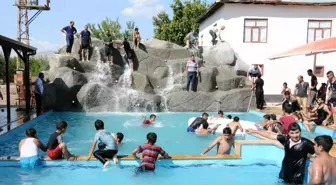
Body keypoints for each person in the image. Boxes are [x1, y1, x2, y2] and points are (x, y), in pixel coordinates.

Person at [247, 122, 315, 184]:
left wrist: (311, 157)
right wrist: (255, 131)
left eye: (297, 132)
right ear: (288, 133)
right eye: (292, 133)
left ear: (300, 132)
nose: (295, 135)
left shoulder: (306, 143)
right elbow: (270, 135)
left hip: (297, 176)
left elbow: (318, 152)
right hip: (284, 172)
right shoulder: (286, 139)